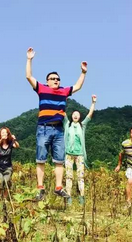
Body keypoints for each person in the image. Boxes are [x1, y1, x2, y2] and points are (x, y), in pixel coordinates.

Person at [25, 47, 87, 201]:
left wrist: (83, 73)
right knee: (41, 159)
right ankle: (40, 188)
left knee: (59, 160)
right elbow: (28, 76)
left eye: (58, 79)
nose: (56, 80)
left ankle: (58, 188)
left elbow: (78, 86)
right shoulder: (42, 89)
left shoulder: (64, 91)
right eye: (53, 78)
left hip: (59, 130)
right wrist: (29, 59)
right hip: (44, 129)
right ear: (47, 81)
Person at [63, 95, 97, 205]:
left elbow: (90, 115)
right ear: (71, 116)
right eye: (74, 114)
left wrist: (93, 103)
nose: (76, 116)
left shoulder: (82, 125)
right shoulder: (67, 124)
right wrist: (63, 101)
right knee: (68, 176)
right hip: (68, 154)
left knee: (80, 177)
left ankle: (82, 197)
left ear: (80, 117)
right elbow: (62, 112)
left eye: (77, 114)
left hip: (80, 155)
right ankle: (68, 197)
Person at [0, 127, 20, 202]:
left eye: (5, 132)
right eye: (2, 132)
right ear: (0, 134)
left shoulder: (11, 143)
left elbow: (17, 146)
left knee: (6, 181)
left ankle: (5, 198)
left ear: (8, 134)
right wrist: (1, 139)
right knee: (0, 181)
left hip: (8, 167)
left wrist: (14, 140)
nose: (4, 134)